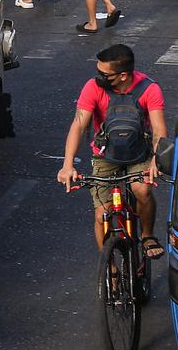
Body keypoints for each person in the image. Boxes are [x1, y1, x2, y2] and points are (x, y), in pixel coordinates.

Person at [57, 44, 167, 258]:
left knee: (142, 191)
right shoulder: (93, 87)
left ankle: (147, 235)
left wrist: (156, 161)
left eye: (104, 74)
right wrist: (67, 165)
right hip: (105, 155)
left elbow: (158, 131)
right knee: (102, 214)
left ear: (123, 75)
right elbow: (78, 125)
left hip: (139, 153)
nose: (98, 77)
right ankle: (110, 268)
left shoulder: (150, 89)